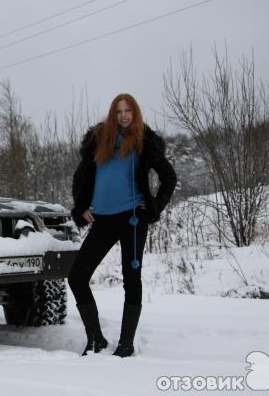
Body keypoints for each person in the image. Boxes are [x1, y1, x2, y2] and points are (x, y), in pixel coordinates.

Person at [69, 93, 176, 357]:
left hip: (132, 219)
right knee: (77, 277)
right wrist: (81, 207)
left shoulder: (145, 141)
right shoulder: (99, 140)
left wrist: (153, 207)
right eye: (118, 111)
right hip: (103, 220)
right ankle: (95, 339)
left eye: (128, 110)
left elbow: (169, 178)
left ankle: (126, 344)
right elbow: (80, 178)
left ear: (135, 113)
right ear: (112, 114)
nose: (123, 115)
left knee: (132, 280)